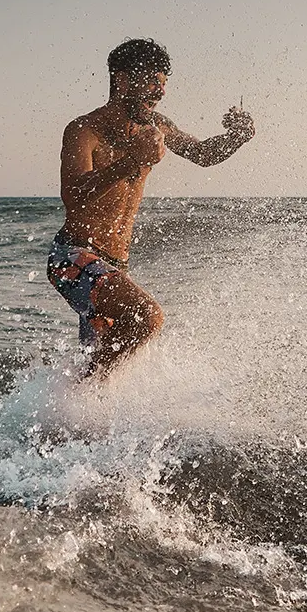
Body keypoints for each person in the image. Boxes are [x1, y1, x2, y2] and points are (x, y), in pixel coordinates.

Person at [47, 38, 255, 375]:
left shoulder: (157, 126)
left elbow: (202, 154)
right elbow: (73, 194)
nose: (159, 94)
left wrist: (236, 137)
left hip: (116, 266)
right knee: (146, 317)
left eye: (162, 86)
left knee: (101, 362)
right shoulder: (85, 130)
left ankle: (67, 416)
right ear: (123, 80)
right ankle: (82, 394)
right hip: (73, 258)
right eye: (151, 84)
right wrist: (131, 161)